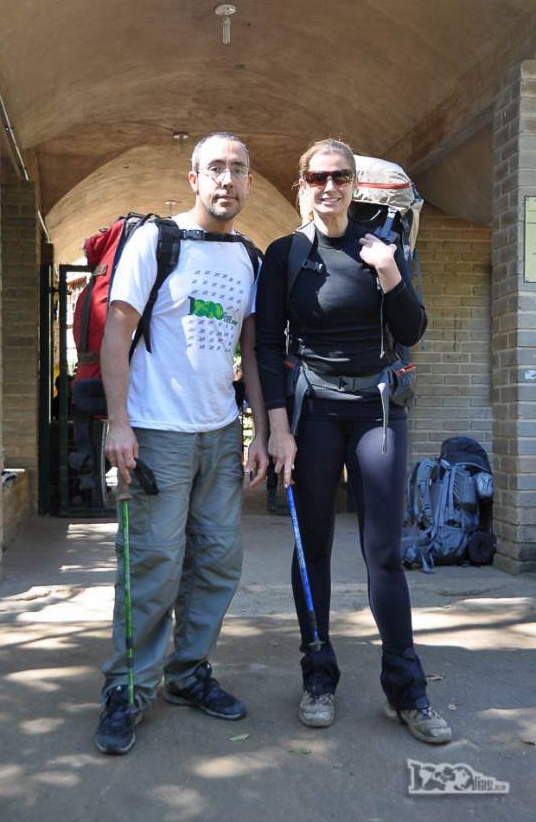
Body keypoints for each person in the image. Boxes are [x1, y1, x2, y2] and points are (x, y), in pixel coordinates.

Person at [255, 138, 452, 744]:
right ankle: (318, 675)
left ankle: (406, 690)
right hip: (313, 413)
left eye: (340, 176)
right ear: (302, 186)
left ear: (353, 183)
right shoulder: (285, 254)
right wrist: (278, 428)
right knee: (310, 547)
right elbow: (266, 345)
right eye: (317, 177)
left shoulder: (383, 247)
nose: (329, 187)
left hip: (377, 412)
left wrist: (391, 275)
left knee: (383, 552)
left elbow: (412, 329)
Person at [95, 132, 269, 755]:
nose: (227, 180)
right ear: (193, 178)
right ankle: (127, 690)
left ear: (250, 182)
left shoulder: (248, 258)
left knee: (218, 560)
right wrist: (119, 422)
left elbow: (249, 349)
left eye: (238, 170)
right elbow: (117, 334)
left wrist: (260, 430)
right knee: (152, 564)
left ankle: (188, 675)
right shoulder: (156, 241)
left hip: (220, 433)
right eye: (215, 169)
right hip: (158, 433)